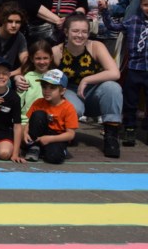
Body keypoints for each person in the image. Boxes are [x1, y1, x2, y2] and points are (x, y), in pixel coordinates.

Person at [52, 13, 123, 157]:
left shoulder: (96, 46)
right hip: (70, 92)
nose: (80, 35)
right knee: (72, 106)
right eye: (75, 31)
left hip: (94, 92)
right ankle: (65, 132)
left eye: (84, 31)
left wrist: (86, 80)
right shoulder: (56, 51)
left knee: (113, 88)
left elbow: (115, 73)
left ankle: (111, 136)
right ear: (66, 32)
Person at [102, 0, 148, 147]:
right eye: (146, 5)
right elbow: (113, 26)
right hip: (134, 67)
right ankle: (129, 129)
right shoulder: (133, 20)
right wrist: (104, 11)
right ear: (141, 5)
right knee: (130, 101)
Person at [23, 69, 77, 164]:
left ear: (62, 91)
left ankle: (51, 150)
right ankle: (34, 147)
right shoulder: (39, 102)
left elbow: (70, 135)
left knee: (54, 158)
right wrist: (25, 132)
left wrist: (50, 139)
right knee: (38, 114)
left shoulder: (68, 107)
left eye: (52, 88)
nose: (47, 91)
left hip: (57, 136)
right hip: (40, 133)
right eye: (44, 87)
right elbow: (29, 122)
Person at [14, 39, 55, 125]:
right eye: (38, 58)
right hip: (27, 120)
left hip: (51, 120)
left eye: (45, 58)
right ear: (32, 59)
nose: (42, 62)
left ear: (51, 58)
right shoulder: (27, 78)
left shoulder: (56, 77)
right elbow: (19, 101)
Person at [0, 2, 29, 74]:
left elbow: (25, 61)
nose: (14, 25)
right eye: (10, 21)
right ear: (3, 21)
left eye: (17, 22)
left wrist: (11, 74)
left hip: (8, 75)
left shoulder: (20, 37)